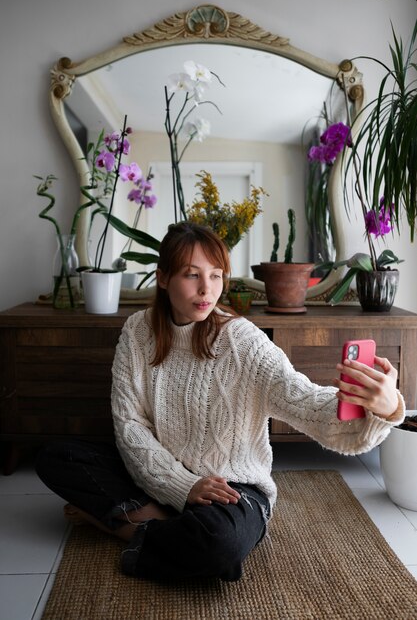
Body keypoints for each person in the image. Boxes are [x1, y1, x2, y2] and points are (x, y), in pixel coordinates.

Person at [36, 221, 405, 582]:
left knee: (220, 542)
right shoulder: (137, 331)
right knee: (55, 456)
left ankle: (125, 524)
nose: (206, 290)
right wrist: (182, 486)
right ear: (163, 278)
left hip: (231, 488)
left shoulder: (242, 341)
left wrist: (382, 408)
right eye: (191, 275)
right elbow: (129, 426)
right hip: (161, 472)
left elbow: (304, 401)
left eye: (216, 275)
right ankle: (167, 521)